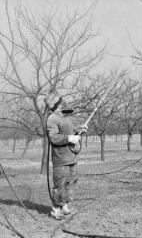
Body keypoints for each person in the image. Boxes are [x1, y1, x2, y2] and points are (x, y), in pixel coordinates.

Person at [45, 91, 86, 220]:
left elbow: (70, 134)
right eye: (60, 101)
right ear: (56, 104)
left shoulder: (64, 118)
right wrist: (70, 138)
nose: (63, 103)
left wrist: (79, 131)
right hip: (61, 159)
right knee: (59, 185)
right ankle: (56, 209)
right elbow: (54, 138)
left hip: (71, 158)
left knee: (69, 184)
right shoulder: (52, 118)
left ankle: (65, 207)